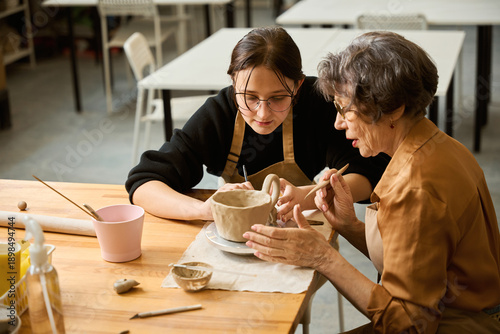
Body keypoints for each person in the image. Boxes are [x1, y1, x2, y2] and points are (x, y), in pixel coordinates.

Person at [243, 31, 500, 333]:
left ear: (393, 109)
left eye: (343, 108)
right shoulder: (438, 145)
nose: (338, 123)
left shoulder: (415, 187)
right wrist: (348, 225)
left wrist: (323, 258)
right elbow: (411, 261)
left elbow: (408, 325)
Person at [125, 26, 388, 222]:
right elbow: (144, 183)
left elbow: (369, 174)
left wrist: (308, 195)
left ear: (297, 87)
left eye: (277, 98)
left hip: (300, 224)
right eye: (249, 97)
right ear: (233, 84)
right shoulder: (220, 113)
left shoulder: (318, 104)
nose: (262, 113)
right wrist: (205, 209)